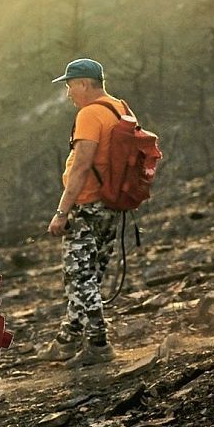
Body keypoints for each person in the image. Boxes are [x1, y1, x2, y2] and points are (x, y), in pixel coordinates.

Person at [42, 58, 128, 367]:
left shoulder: (90, 114)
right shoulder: (120, 107)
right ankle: (68, 338)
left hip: (87, 207)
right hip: (112, 206)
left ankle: (98, 344)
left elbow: (80, 167)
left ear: (83, 84)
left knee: (80, 278)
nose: (68, 93)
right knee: (88, 275)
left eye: (69, 85)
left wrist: (62, 211)